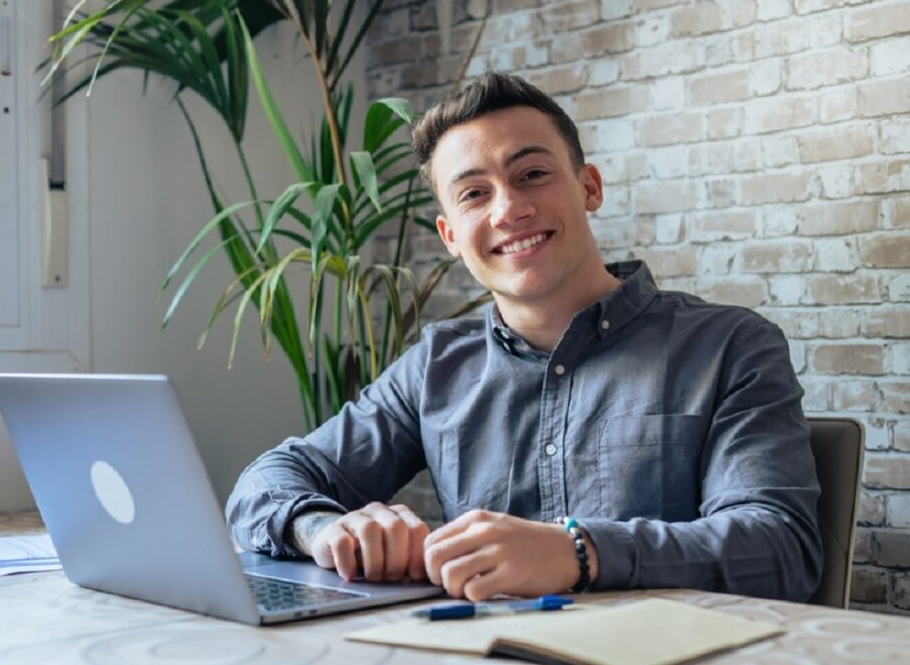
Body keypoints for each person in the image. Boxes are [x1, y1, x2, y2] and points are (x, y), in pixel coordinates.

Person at [225, 72, 822, 603]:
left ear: (589, 187)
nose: (508, 209)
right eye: (474, 194)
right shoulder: (436, 366)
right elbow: (266, 482)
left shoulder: (732, 345)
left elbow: (782, 548)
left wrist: (577, 553)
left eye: (531, 174)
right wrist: (325, 529)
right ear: (451, 235)